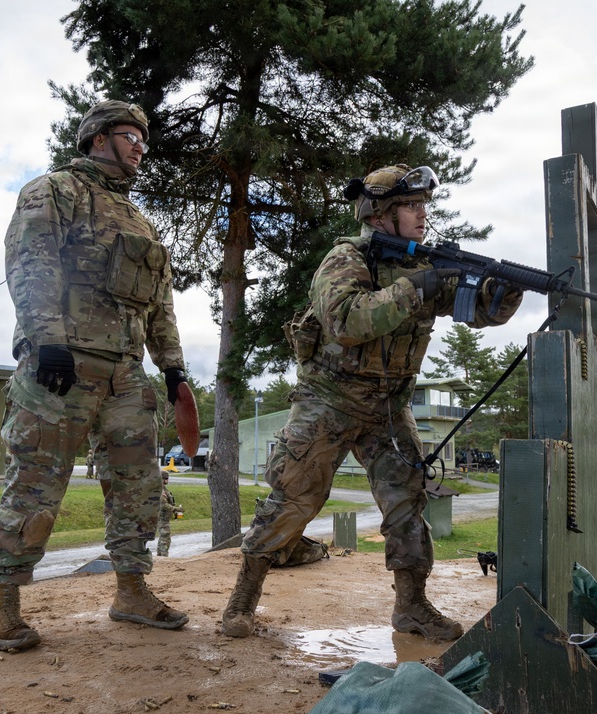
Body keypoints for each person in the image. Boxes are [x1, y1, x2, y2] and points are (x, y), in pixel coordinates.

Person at [221, 164, 523, 641]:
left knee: (407, 499)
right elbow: (346, 320)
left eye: (425, 205)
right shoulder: (346, 259)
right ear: (382, 214)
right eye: (412, 205)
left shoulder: (419, 264)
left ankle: (412, 607)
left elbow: (477, 310)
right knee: (294, 499)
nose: (423, 215)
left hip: (388, 405)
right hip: (330, 399)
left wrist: (502, 292)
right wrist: (415, 287)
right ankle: (242, 601)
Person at [0, 99, 191, 653]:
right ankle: (2, 608)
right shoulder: (54, 191)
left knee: (138, 486)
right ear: (98, 138)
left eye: (144, 137)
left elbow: (159, 303)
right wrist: (47, 341)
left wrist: (173, 369)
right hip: (62, 369)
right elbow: (31, 263)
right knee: (36, 485)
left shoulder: (140, 221)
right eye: (130, 134)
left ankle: (131, 591)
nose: (141, 145)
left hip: (126, 373)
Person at [157, 472, 183, 557]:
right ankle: (163, 556)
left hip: (165, 518)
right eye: (165, 478)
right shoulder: (161, 490)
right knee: (165, 538)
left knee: (163, 537)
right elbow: (164, 505)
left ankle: (160, 555)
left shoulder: (164, 489)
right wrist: (175, 509)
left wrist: (174, 510)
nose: (167, 480)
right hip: (162, 518)